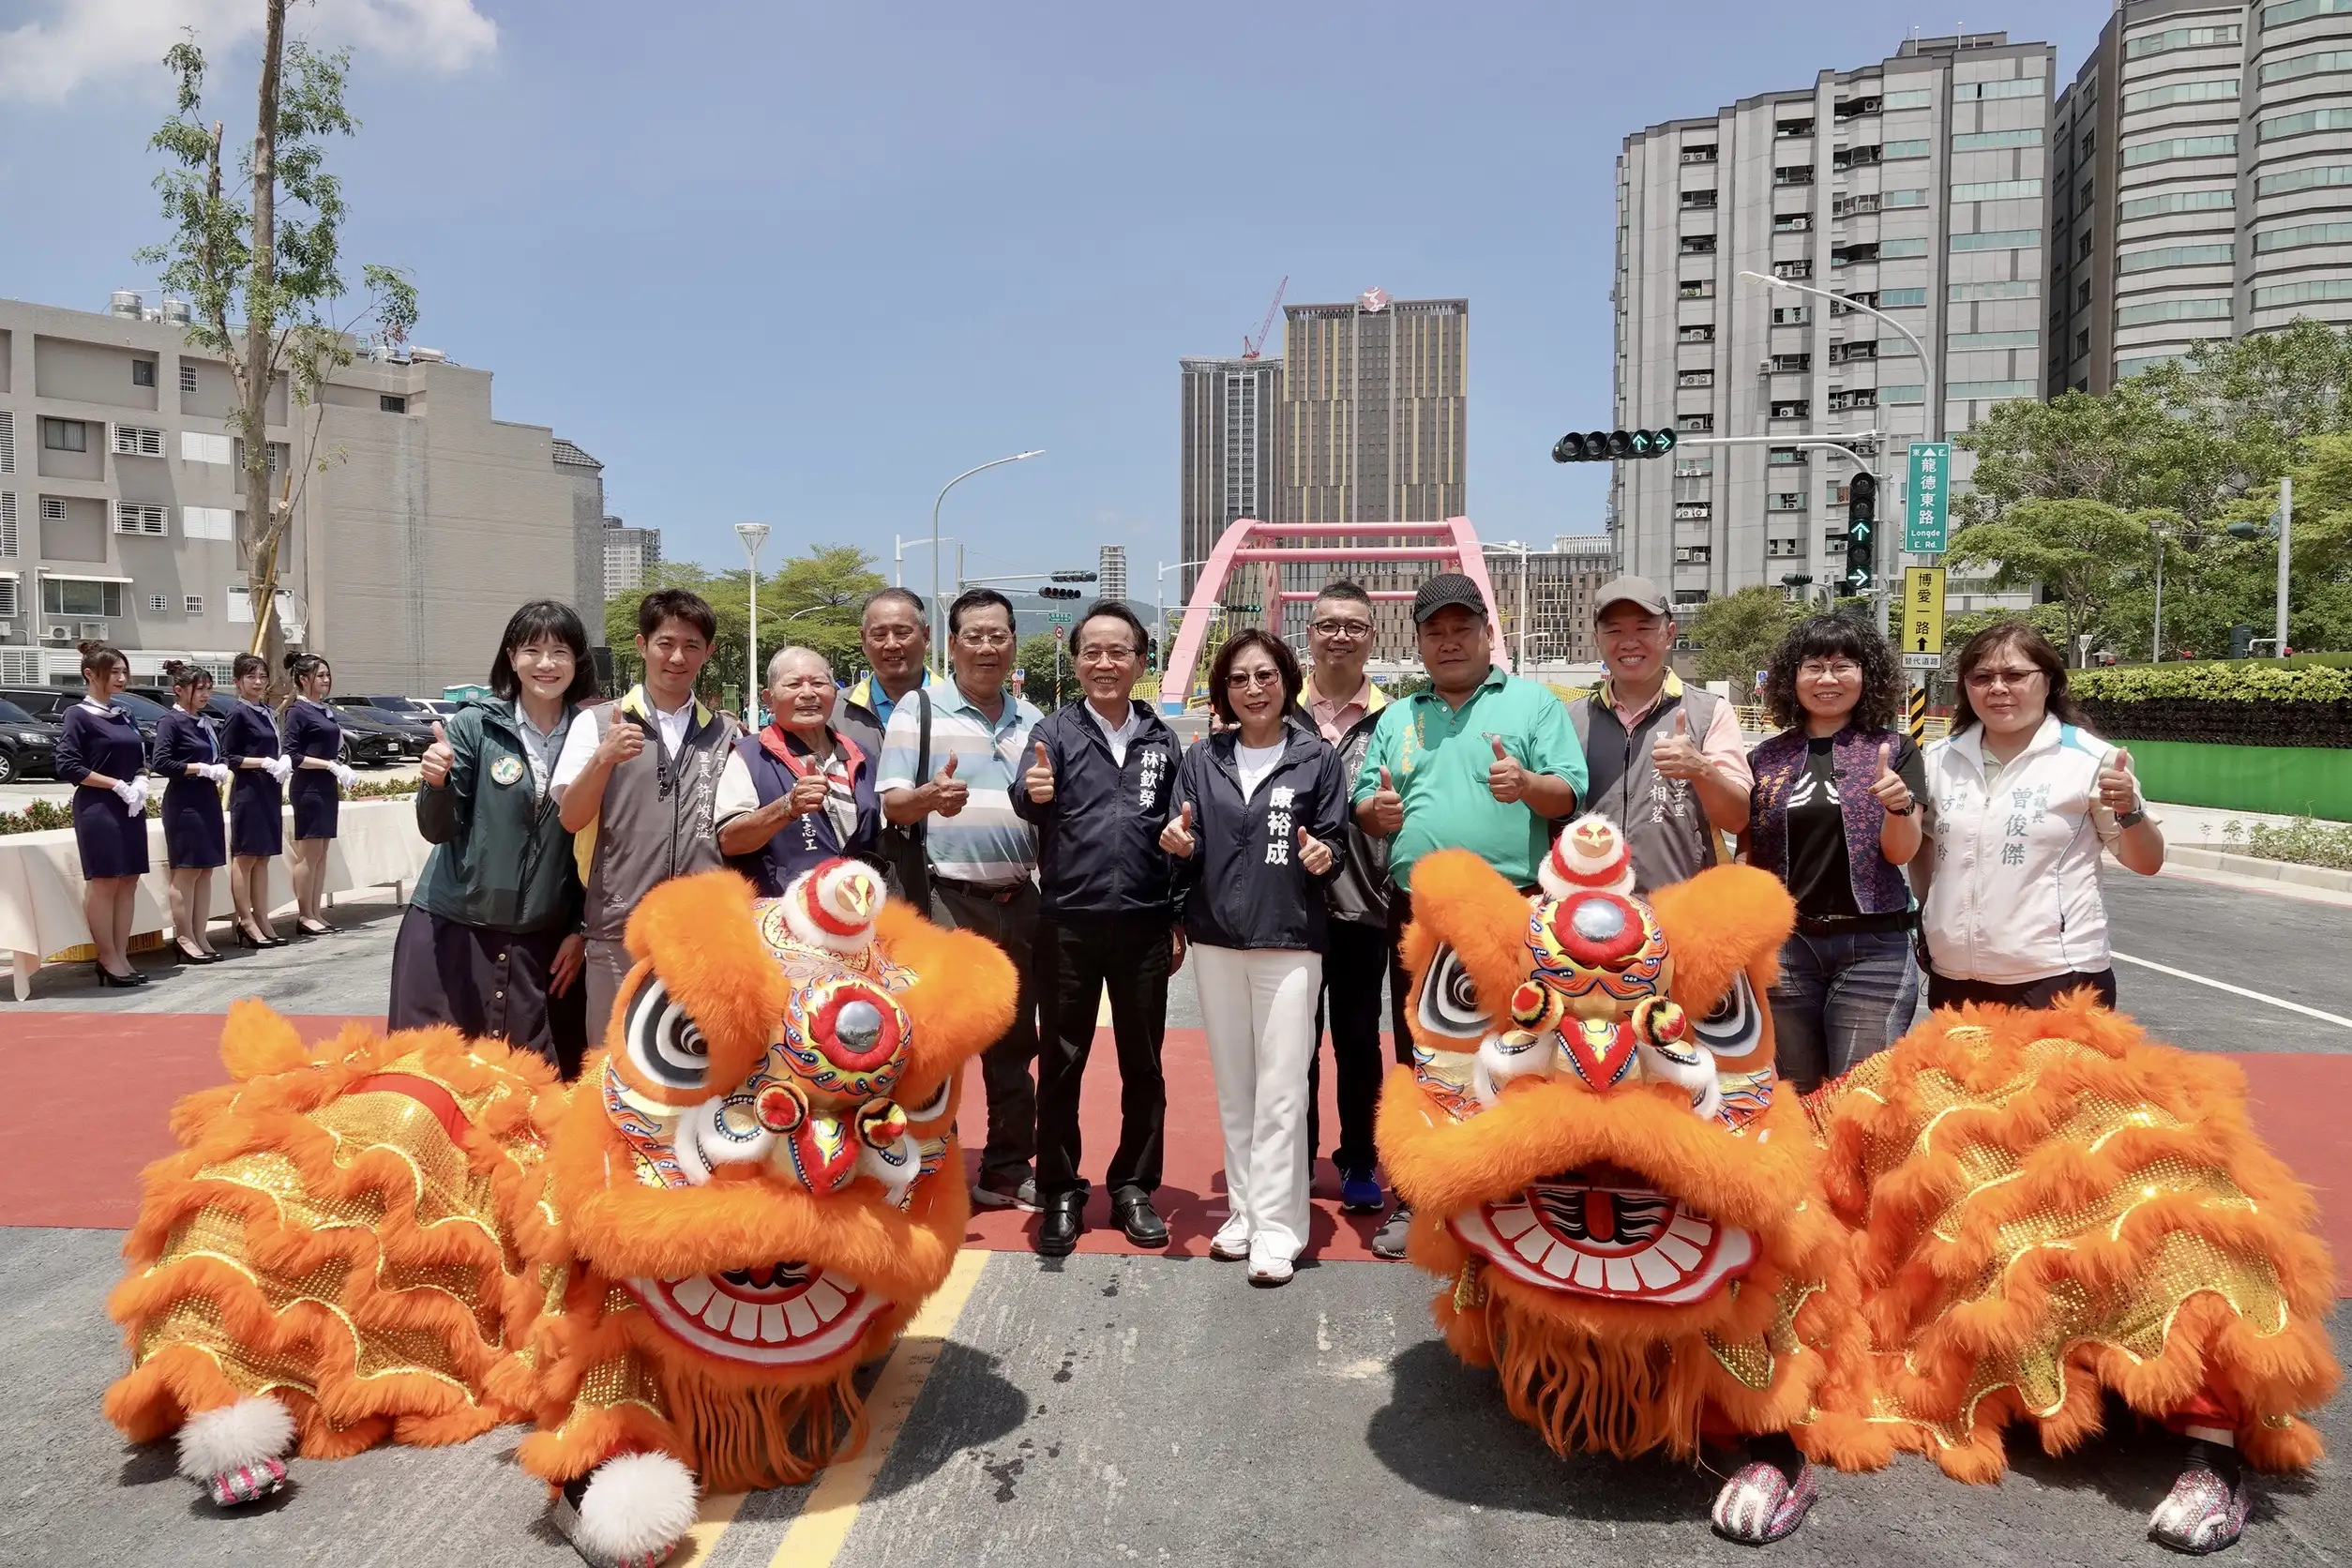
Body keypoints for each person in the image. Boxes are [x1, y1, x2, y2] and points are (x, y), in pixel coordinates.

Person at [1354, 573, 1587, 1259]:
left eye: (1462, 628)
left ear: (1489, 633)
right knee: (1422, 1053)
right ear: (1418, 641)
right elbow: (1367, 805)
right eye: (1435, 630)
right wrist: (1380, 813)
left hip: (1514, 910)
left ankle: (1509, 1198)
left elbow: (1567, 795)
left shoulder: (1534, 706)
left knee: (1517, 1053)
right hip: (1420, 913)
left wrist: (1527, 785)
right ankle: (1419, 1196)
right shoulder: (1398, 716)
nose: (1449, 641)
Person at [1163, 629, 1348, 1287]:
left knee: (1281, 1089)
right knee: (1236, 1085)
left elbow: (1332, 841)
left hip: (1290, 940)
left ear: (1286, 681)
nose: (1253, 689)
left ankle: (1279, 1229)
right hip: (1216, 939)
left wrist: (1324, 856)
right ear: (1223, 691)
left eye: (1265, 676)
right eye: (1239, 679)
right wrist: (1178, 846)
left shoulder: (1315, 760)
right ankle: (1243, 1211)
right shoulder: (1203, 758)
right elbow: (1185, 836)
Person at [1012, 600, 1183, 1256]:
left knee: (1144, 1064)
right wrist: (1034, 793)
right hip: (1068, 923)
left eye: (1120, 652)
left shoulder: (1162, 741)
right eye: (1093, 652)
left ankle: (1135, 1187)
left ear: (1141, 662)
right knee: (1061, 1061)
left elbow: (1179, 829)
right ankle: (1059, 1189)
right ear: (1077, 661)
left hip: (1143, 922)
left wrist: (1176, 915)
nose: (1105, 663)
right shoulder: (1052, 733)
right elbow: (1028, 793)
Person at [877, 588, 1045, 1213]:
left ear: (1012, 644)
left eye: (998, 635)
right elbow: (892, 804)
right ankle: (930, 1167)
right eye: (973, 635)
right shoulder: (918, 711)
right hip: (947, 896)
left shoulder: (1032, 720)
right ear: (952, 645)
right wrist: (930, 797)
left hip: (1019, 898)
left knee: (1013, 1040)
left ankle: (1006, 1166)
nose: (987, 646)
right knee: (936, 1042)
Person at [1913, 622, 2164, 1011]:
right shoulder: (1939, 759)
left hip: (2059, 976)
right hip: (1955, 975)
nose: (1998, 688)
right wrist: (1934, 920)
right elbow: (1923, 849)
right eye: (1982, 677)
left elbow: (2146, 862)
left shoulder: (2092, 760)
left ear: (2048, 682)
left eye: (2015, 675)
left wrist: (2130, 811)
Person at [394, 599, 594, 1077]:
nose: (546, 664)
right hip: (453, 929)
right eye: (532, 650)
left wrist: (580, 928)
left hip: (542, 943)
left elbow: (600, 847)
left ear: (578, 661)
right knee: (437, 1077)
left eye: (560, 651)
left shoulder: (592, 733)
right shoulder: (474, 726)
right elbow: (437, 829)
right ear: (511, 657)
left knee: (533, 1086)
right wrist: (436, 783)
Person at [1744, 614, 1926, 1093]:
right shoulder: (1765, 757)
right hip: (1785, 950)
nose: (1828, 679)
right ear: (1792, 678)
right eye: (1813, 667)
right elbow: (1745, 849)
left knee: (1858, 1098)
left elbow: (1901, 851)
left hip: (1874, 950)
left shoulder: (1895, 749)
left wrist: (1899, 805)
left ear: (1867, 676)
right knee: (1794, 1096)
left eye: (1843, 666)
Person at [553, 588, 739, 1045]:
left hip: (700, 932)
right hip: (618, 928)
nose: (677, 657)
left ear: (708, 653)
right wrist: (603, 759)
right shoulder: (597, 723)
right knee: (613, 1062)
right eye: (666, 643)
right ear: (642, 645)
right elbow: (571, 818)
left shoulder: (726, 731)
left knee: (695, 1062)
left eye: (692, 646)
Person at [1296, 580, 1397, 1217]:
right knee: (1292, 1043)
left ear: (1371, 637)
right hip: (1288, 913)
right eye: (1328, 625)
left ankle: (1359, 1156)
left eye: (1353, 626)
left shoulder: (1400, 719)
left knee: (1359, 1040)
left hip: (1364, 907)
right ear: (1308, 635)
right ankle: (1293, 1158)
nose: (1340, 636)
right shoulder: (1277, 712)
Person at [1562, 576, 1753, 893]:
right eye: (1614, 630)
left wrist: (1700, 769)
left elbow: (1737, 819)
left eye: (1643, 628)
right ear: (1597, 639)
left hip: (1682, 910)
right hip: (1590, 910)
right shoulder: (1571, 718)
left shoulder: (1709, 712)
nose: (1629, 642)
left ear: (1670, 634)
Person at [715, 645, 882, 893]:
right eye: (794, 685)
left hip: (857, 910)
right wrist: (787, 808)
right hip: (782, 915)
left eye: (818, 683)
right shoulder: (747, 756)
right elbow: (729, 840)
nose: (808, 694)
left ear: (834, 693)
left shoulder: (861, 755)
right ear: (768, 699)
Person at [55, 641, 152, 987]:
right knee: (106, 881)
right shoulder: (78, 715)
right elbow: (68, 765)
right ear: (90, 674)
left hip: (130, 806)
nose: (122, 678)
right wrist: (114, 785)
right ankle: (107, 956)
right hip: (99, 806)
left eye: (124, 671)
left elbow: (140, 756)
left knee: (129, 881)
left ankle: (122, 954)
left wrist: (141, 780)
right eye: (114, 672)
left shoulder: (123, 713)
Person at [839, 588, 931, 898]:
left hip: (942, 881)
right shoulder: (835, 712)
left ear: (926, 636)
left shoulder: (959, 706)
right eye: (879, 634)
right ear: (863, 639)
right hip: (855, 881)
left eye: (903, 632)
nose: (891, 644)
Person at [155, 662, 232, 965]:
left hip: (207, 800)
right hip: (184, 804)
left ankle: (201, 934)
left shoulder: (205, 722)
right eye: (199, 689)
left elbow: (218, 753)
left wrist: (221, 764)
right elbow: (161, 762)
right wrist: (197, 768)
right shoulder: (170, 722)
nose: (205, 694)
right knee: (186, 872)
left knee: (205, 871)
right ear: (179, 690)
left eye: (208, 688)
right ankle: (184, 937)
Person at [279, 653, 355, 938]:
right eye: (319, 675)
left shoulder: (323, 709)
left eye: (327, 675)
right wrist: (329, 765)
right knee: (308, 855)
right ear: (303, 679)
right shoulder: (297, 711)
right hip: (308, 787)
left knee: (322, 854)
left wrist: (338, 766)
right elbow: (293, 754)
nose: (325, 680)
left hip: (326, 785)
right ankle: (304, 914)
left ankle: (316, 910)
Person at [220, 654, 291, 947]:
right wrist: (261, 762)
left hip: (269, 791)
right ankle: (245, 920)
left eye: (262, 677)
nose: (258, 682)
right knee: (246, 857)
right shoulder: (238, 713)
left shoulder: (266, 711)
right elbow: (228, 756)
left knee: (262, 859)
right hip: (248, 791)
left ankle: (262, 917)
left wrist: (281, 759)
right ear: (237, 682)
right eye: (251, 677)